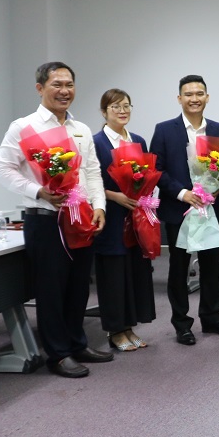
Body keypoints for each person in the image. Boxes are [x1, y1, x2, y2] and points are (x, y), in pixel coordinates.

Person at [0, 62, 110, 378]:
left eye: (69, 84)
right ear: (40, 88)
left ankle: (76, 342)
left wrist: (99, 205)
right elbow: (2, 169)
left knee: (78, 287)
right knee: (51, 289)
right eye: (57, 84)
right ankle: (57, 354)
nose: (64, 91)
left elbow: (91, 171)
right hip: (46, 220)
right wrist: (38, 191)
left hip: (81, 218)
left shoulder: (81, 128)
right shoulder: (24, 127)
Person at [150, 74, 219, 346]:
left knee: (211, 266)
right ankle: (181, 323)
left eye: (199, 93)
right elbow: (157, 170)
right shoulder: (165, 130)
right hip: (180, 210)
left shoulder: (218, 129)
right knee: (178, 268)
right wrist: (183, 193)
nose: (194, 98)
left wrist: (217, 189)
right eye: (188, 94)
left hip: (210, 209)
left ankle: (212, 318)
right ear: (180, 98)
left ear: (207, 97)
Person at [92, 89, 155, 352]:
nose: (122, 111)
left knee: (134, 273)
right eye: (115, 106)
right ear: (104, 112)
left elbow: (147, 175)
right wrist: (114, 196)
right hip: (111, 216)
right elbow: (87, 181)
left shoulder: (138, 140)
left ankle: (129, 327)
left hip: (135, 216)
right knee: (113, 275)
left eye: (126, 106)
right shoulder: (96, 142)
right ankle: (115, 330)